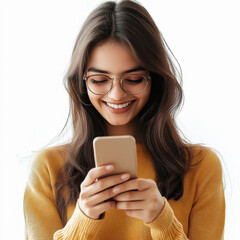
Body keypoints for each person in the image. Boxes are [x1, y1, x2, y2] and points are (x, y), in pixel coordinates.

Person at [23, 0, 225, 239]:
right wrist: (82, 221)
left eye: (134, 79)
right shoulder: (48, 169)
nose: (116, 94)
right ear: (81, 83)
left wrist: (163, 222)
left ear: (155, 80)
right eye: (99, 80)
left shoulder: (201, 167)